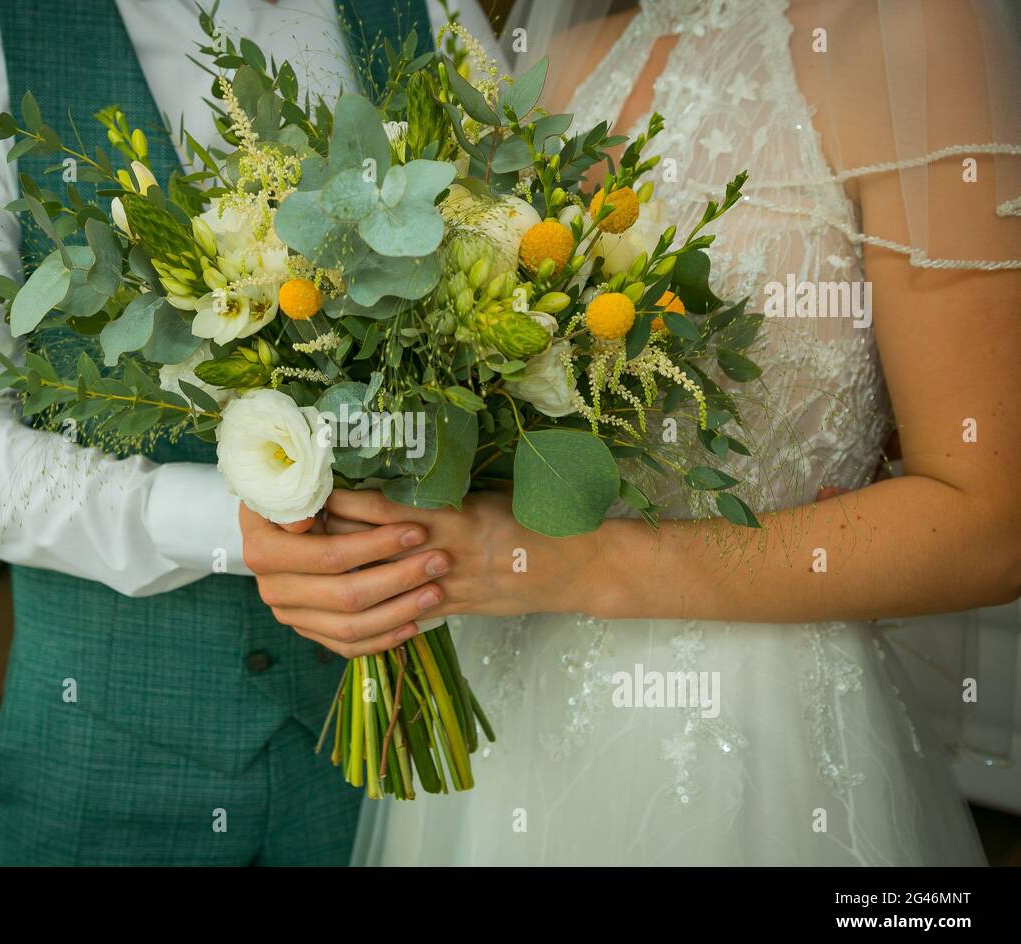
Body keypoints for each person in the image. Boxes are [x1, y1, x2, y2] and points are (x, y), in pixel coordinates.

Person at [243, 0, 1021, 864]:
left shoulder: (911, 33)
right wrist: (322, 506)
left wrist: (566, 563)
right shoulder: (547, 62)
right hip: (503, 724)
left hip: (755, 735)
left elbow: (989, 523)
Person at [0, 0, 496, 865]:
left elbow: (514, 252)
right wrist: (233, 522)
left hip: (432, 762)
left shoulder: (427, 9)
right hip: (116, 763)